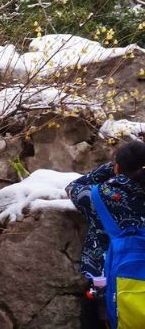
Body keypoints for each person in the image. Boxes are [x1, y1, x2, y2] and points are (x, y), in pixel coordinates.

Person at [66, 140, 145, 329]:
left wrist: (112, 167)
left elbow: (74, 187)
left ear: (118, 167)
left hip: (111, 283)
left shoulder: (103, 195)